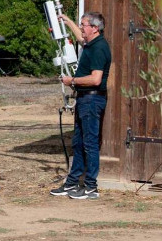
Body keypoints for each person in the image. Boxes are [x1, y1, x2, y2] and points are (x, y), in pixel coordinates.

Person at [49, 12, 111, 200]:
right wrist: (66, 21)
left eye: (83, 24)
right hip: (85, 99)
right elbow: (78, 36)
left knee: (90, 143)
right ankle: (72, 182)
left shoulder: (99, 48)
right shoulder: (91, 44)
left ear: (94, 28)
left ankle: (91, 187)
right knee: (78, 142)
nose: (81, 27)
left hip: (92, 100)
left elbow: (95, 78)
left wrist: (72, 80)